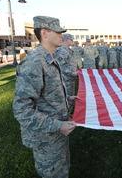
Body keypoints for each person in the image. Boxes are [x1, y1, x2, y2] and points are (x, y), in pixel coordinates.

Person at [13, 16, 76, 178]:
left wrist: (67, 99)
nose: (62, 35)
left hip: (57, 133)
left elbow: (48, 93)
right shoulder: (34, 63)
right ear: (44, 33)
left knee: (62, 170)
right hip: (46, 137)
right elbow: (22, 110)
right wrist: (57, 125)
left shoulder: (50, 57)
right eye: (58, 31)